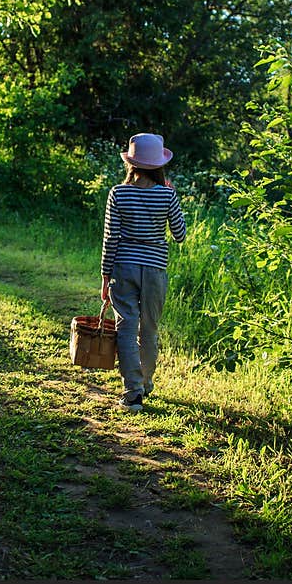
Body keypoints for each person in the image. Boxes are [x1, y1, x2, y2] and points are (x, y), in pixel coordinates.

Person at [100, 132, 186, 412]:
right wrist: (170, 200)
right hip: (155, 269)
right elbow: (180, 235)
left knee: (126, 327)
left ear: (132, 162)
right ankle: (146, 382)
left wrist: (105, 275)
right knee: (148, 328)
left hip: (122, 267)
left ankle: (133, 393)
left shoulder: (118, 193)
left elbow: (111, 237)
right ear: (158, 165)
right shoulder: (167, 194)